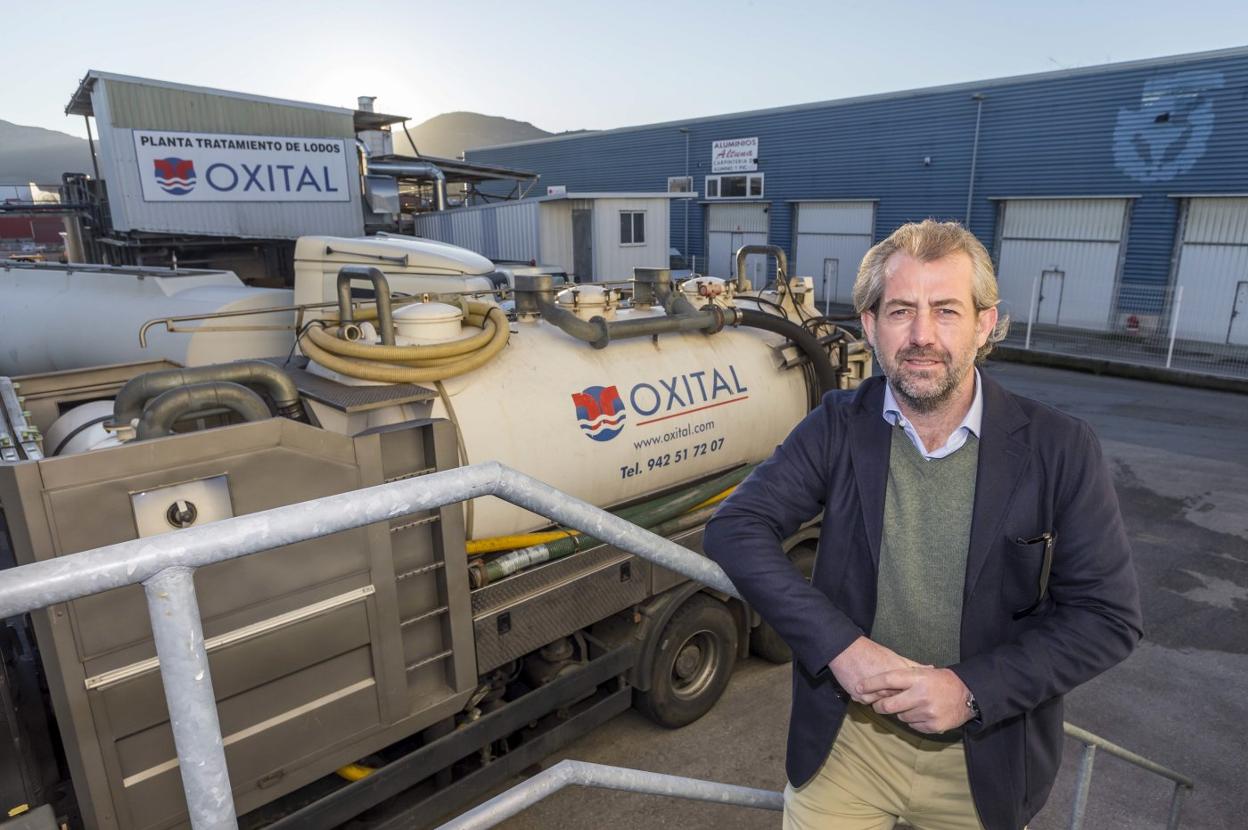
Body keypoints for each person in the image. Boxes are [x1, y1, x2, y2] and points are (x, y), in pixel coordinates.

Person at [703, 219, 1142, 830]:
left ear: (985, 324)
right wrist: (841, 650)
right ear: (870, 325)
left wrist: (969, 690)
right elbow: (736, 527)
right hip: (848, 747)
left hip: (983, 760)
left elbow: (1105, 618)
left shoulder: (1059, 447)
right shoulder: (838, 424)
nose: (922, 335)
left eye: (946, 310)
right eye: (902, 310)